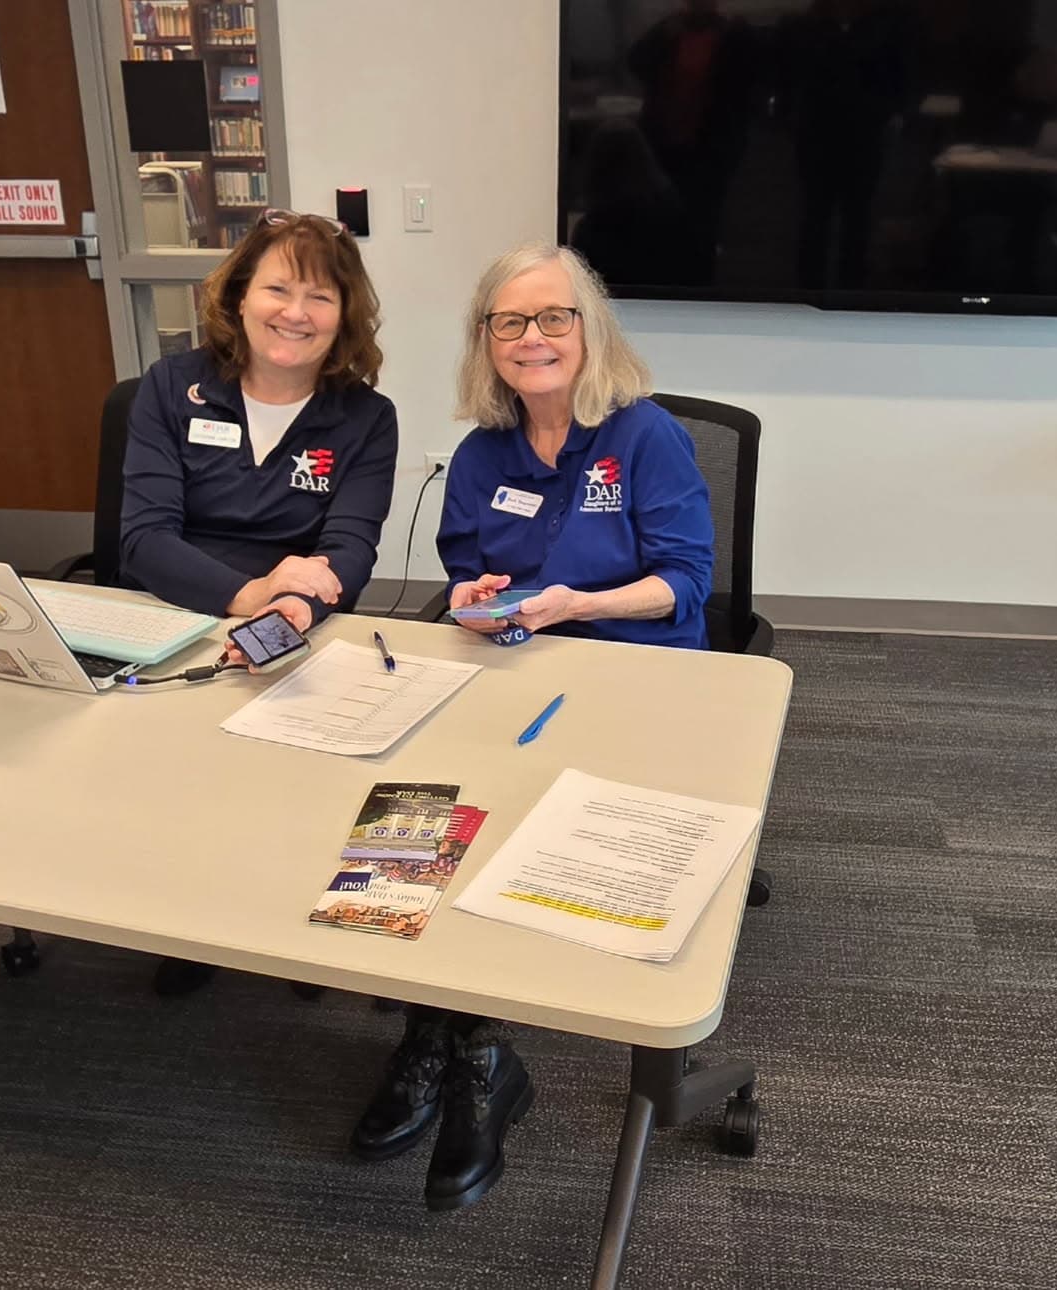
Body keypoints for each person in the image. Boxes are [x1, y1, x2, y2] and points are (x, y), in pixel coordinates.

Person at [349, 243, 712, 1212]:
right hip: (511, 665)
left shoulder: (645, 438)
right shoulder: (480, 453)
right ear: (486, 342)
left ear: (589, 333)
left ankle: (482, 1055)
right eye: (509, 321)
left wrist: (569, 607)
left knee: (524, 838)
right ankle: (431, 1033)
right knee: (410, 814)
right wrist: (478, 592)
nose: (532, 337)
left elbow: (683, 585)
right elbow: (473, 568)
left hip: (633, 676)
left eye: (554, 317)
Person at [119, 208, 398, 995]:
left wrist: (290, 611)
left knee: (315, 771)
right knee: (185, 782)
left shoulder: (366, 417)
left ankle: (295, 923)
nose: (296, 313)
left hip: (298, 623)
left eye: (320, 298)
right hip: (178, 614)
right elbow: (143, 538)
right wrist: (251, 594)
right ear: (239, 295)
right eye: (278, 288)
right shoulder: (172, 389)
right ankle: (198, 923)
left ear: (345, 317)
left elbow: (350, 546)